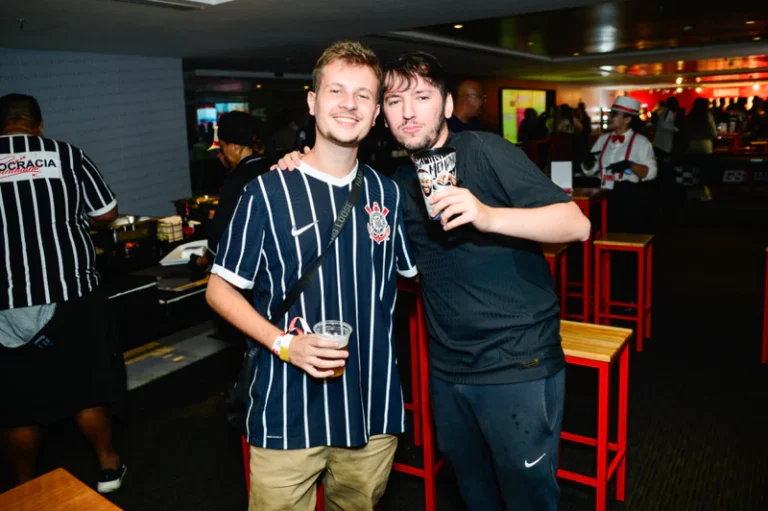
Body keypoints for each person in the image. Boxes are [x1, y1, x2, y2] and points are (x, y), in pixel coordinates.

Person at [277, 51, 591, 511]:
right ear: (382, 114)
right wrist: (300, 164)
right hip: (447, 369)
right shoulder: (397, 183)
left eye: (422, 98)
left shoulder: (483, 150)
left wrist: (487, 215)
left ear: (446, 106)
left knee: (528, 499)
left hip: (517, 362)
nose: (408, 112)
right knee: (475, 496)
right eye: (395, 101)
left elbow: (576, 225)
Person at [205, 41, 417, 511]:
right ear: (312, 101)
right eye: (336, 90)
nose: (349, 104)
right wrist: (285, 344)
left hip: (372, 406)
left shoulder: (387, 193)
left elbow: (414, 273)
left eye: (363, 95)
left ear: (377, 112)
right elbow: (219, 290)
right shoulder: (267, 191)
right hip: (287, 407)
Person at [0, 94, 127, 492]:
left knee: (17, 405)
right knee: (86, 388)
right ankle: (108, 468)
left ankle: (25, 487)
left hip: (4, 304)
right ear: (38, 125)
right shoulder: (67, 155)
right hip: (70, 293)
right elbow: (106, 213)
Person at [190, 111, 270, 280]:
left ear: (234, 147)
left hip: (249, 267)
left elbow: (221, 231)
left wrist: (201, 261)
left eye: (223, 146)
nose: (222, 153)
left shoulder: (237, 179)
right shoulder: (272, 167)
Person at [582, 96, 658, 233]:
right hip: (603, 193)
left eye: (614, 114)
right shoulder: (603, 139)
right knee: (601, 232)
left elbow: (651, 173)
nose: (609, 117)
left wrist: (630, 165)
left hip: (627, 195)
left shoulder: (641, 142)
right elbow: (591, 170)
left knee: (623, 234)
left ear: (627, 119)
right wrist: (587, 163)